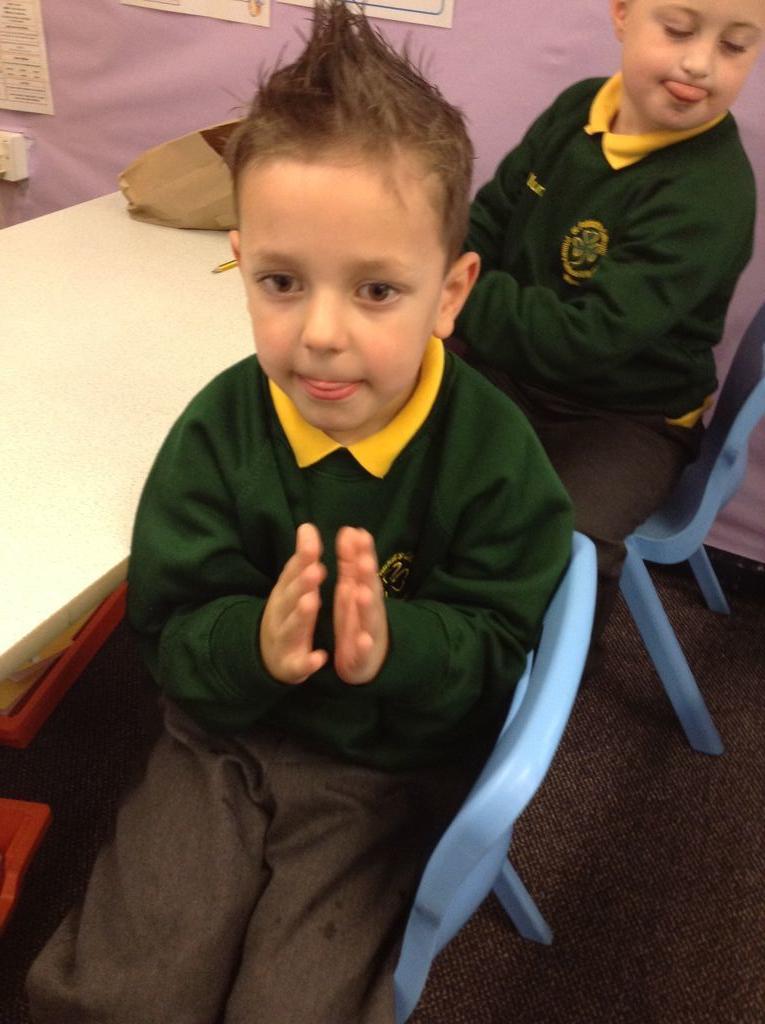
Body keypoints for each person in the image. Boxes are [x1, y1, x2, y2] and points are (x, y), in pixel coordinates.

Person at [26, 3, 573, 1022]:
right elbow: (167, 635)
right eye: (282, 281)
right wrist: (254, 643)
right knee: (118, 995)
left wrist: (395, 649)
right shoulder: (217, 430)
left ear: (451, 292)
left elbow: (501, 656)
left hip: (382, 766)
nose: (320, 333)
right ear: (240, 262)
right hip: (221, 738)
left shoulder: (494, 458)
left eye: (376, 290)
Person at [453, 0, 764, 647]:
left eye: (734, 46)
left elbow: (584, 340)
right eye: (678, 29)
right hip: (511, 364)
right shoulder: (578, 107)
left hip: (625, 417)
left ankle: (530, 676)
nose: (699, 63)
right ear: (622, 13)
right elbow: (488, 219)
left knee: (561, 544)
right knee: (380, 439)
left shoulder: (711, 194)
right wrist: (445, 278)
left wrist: (450, 290)